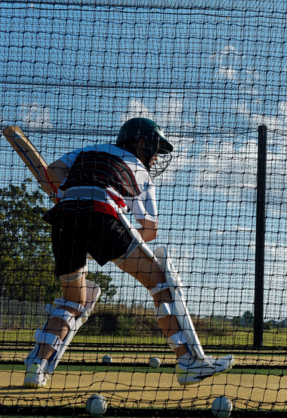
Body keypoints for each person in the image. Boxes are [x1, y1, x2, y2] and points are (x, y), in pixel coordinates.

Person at [23, 117, 235, 388]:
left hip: (63, 219)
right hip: (103, 215)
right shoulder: (139, 169)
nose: (156, 157)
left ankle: (36, 367)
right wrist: (111, 246)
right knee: (160, 280)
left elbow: (51, 173)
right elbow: (149, 229)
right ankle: (189, 363)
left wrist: (71, 200)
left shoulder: (87, 151)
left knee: (73, 301)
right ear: (141, 141)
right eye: (155, 148)